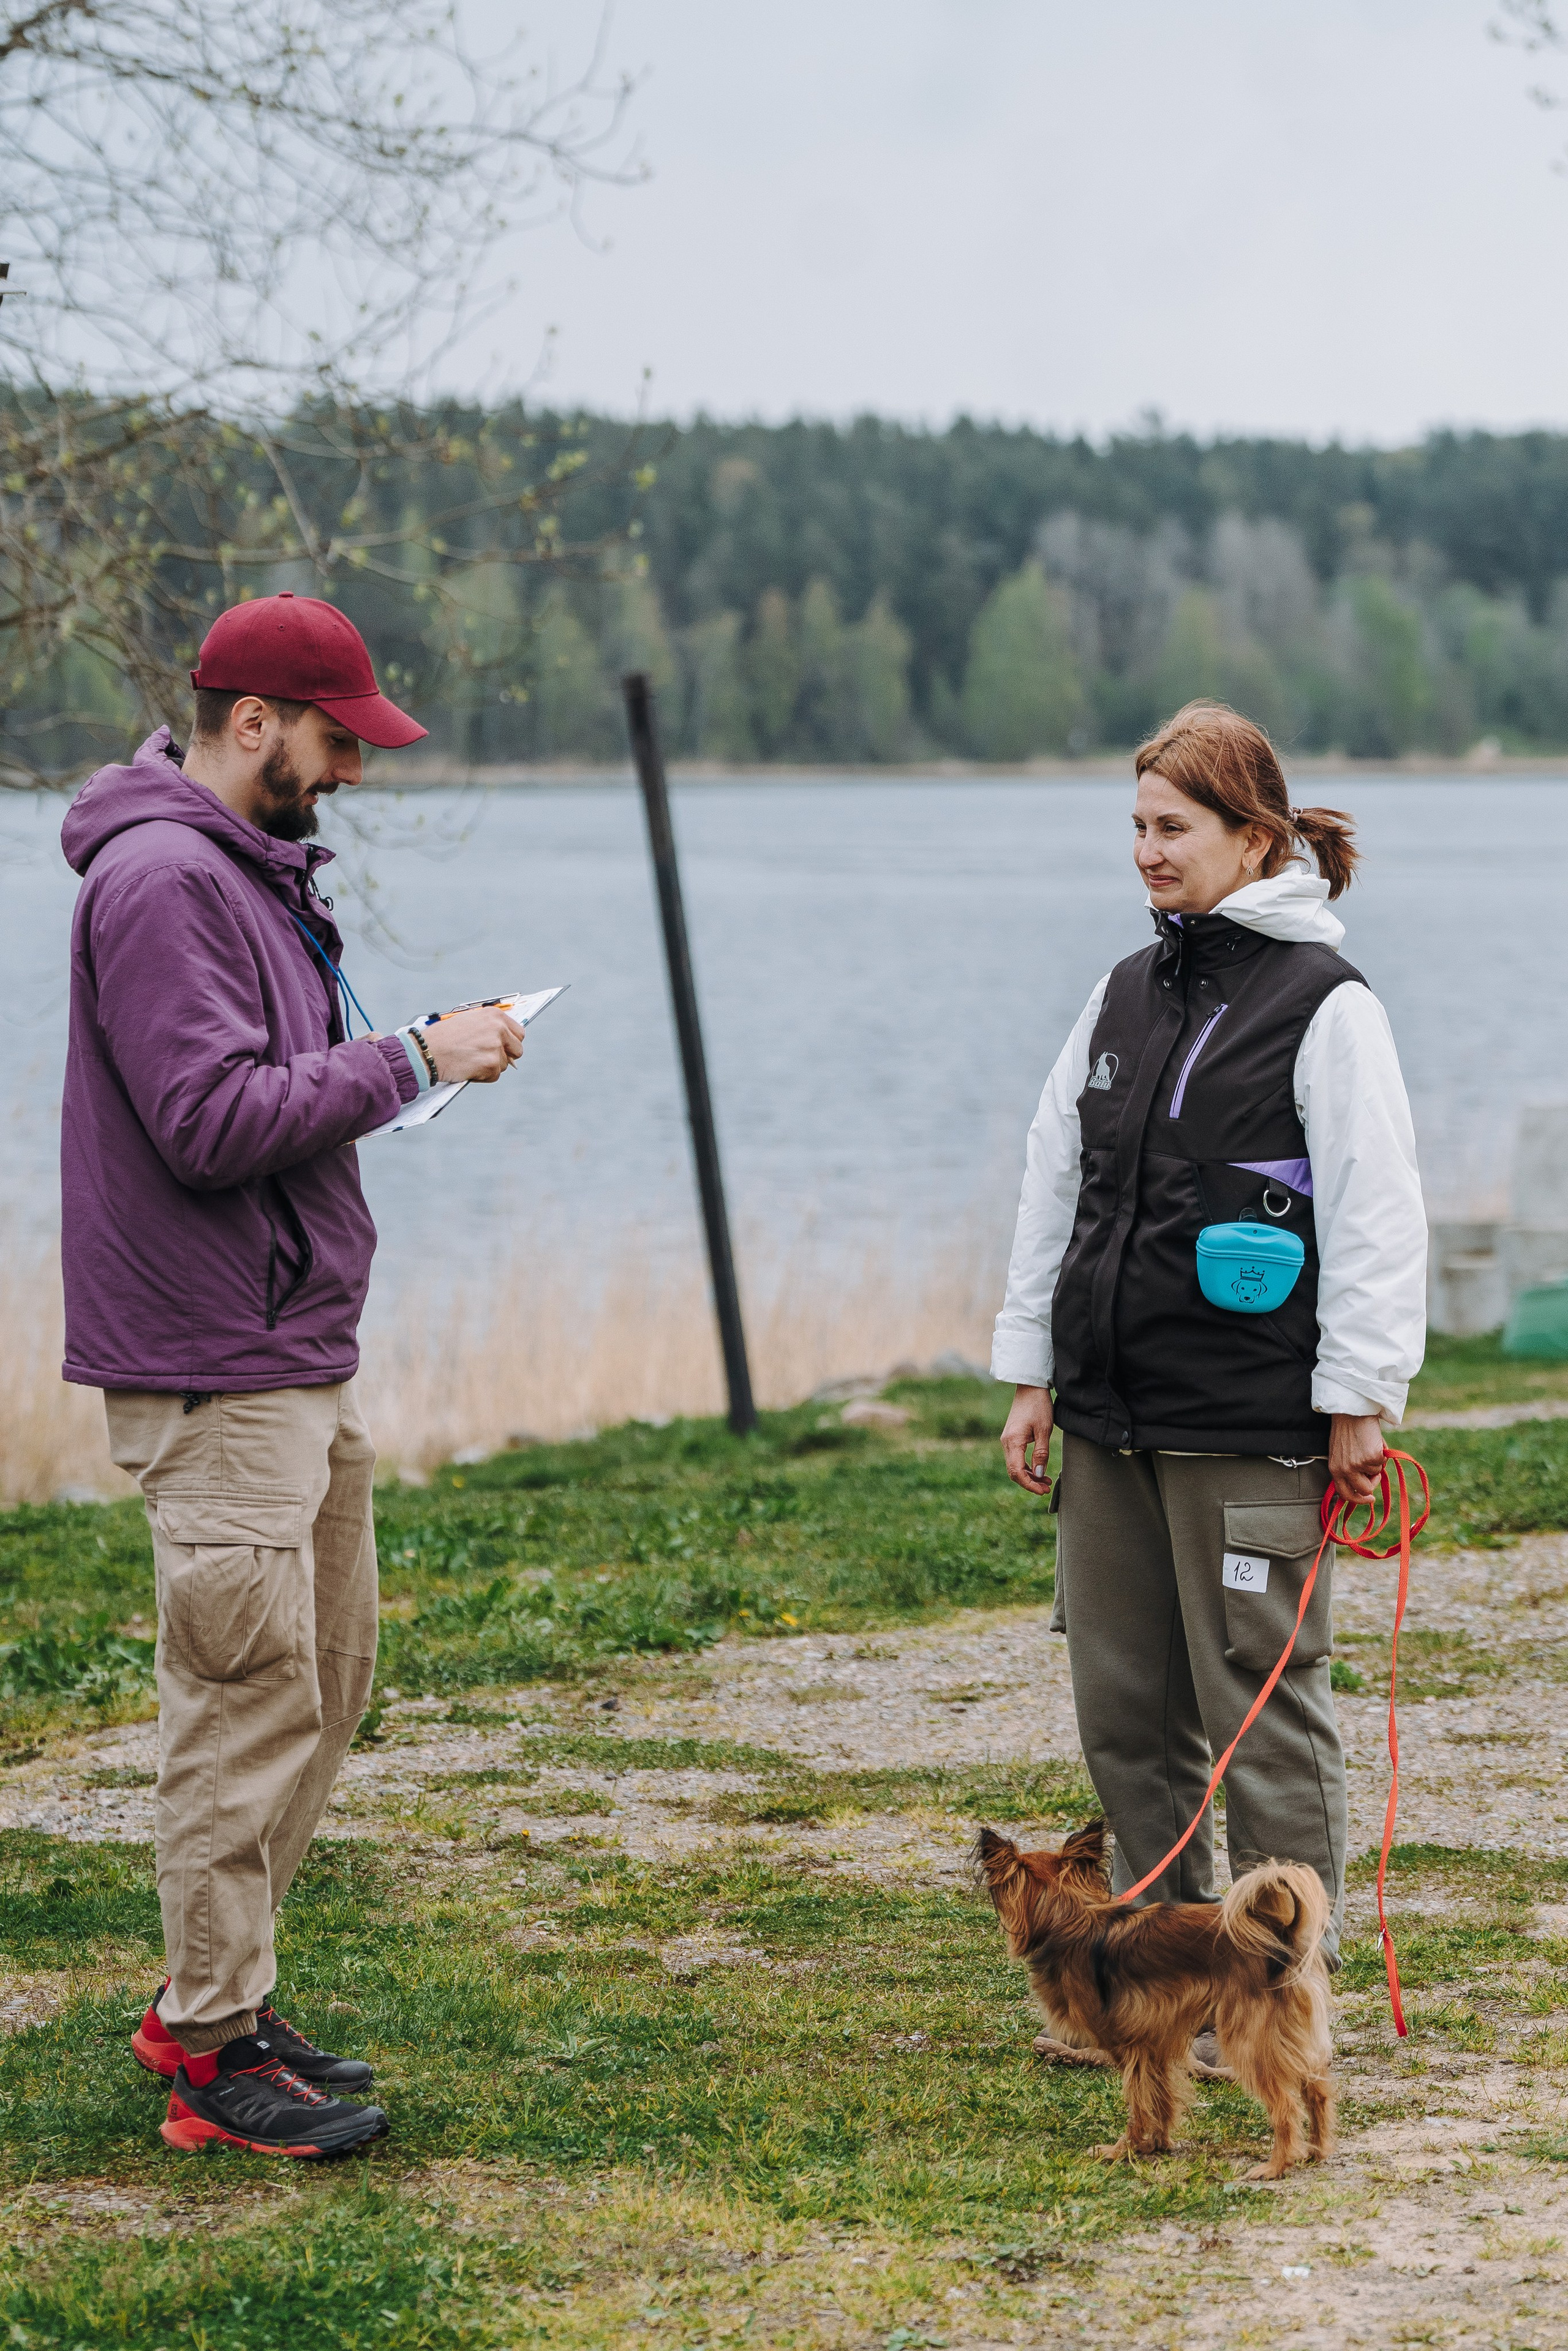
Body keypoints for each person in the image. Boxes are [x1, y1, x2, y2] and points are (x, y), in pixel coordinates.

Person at [60, 592, 526, 2159]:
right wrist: (410, 1060)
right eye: (335, 740)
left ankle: (229, 1994)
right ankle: (205, 2051)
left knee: (320, 1680)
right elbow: (205, 1122)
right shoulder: (162, 883)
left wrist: (403, 1053)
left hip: (284, 1349)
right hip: (214, 1364)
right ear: (251, 720)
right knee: (246, 1697)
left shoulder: (244, 877)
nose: (350, 771)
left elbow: (264, 1086)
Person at [992, 700, 1426, 1979]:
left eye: (1170, 826)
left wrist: (1357, 1400)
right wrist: (1031, 1372)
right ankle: (1167, 1973)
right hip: (1111, 1419)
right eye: (1133, 824)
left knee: (1261, 1714)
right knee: (1126, 1714)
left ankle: (1279, 1989)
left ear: (1252, 837)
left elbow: (1374, 1210)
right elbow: (1049, 1179)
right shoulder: (1121, 992)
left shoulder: (1324, 1005)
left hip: (1247, 1425)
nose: (1144, 850)